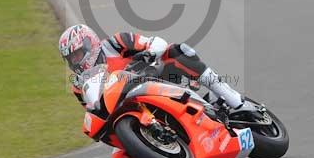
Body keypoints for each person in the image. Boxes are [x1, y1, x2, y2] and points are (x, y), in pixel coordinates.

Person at [58, 24, 255, 116]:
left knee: (178, 52)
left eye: (76, 54)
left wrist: (149, 53)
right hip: (131, 111)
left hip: (158, 80)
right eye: (70, 58)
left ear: (89, 44)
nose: (75, 61)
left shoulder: (116, 43)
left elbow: (157, 42)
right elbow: (94, 113)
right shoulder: (79, 86)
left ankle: (234, 101)